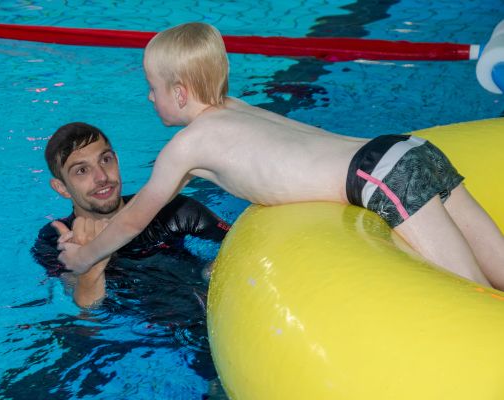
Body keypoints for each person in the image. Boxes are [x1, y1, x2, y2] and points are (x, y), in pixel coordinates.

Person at [58, 22, 504, 290]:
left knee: (470, 295)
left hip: (382, 177)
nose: (149, 97)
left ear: (178, 92)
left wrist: (82, 258)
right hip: (408, 150)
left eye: (152, 88)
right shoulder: (236, 109)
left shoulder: (185, 146)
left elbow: (134, 218)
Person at [32, 122, 230, 307]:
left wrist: (217, 270)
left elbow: (237, 241)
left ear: (117, 160)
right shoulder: (56, 239)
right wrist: (91, 266)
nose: (102, 177)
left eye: (106, 160)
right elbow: (86, 313)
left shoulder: (171, 209)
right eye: (82, 170)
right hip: (136, 332)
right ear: (62, 188)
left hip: (206, 303)